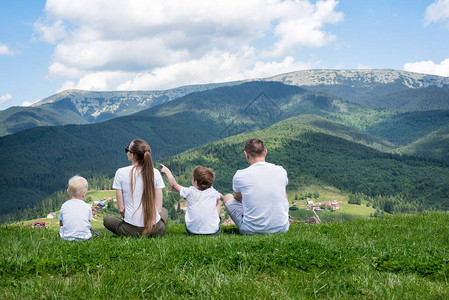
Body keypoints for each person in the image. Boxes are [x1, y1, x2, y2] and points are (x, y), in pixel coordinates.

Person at [222, 138, 289, 235]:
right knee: (284, 192)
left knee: (227, 197)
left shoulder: (240, 175)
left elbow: (237, 198)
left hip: (251, 230)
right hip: (282, 228)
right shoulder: (281, 171)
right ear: (265, 152)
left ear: (246, 154)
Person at [104, 139, 168, 237]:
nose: (127, 152)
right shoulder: (155, 173)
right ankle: (153, 232)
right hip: (155, 229)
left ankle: (134, 232)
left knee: (107, 219)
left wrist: (130, 221)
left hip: (130, 230)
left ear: (133, 155)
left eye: (127, 150)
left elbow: (121, 209)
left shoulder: (120, 173)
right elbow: (158, 209)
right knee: (164, 211)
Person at [160, 164, 221, 235]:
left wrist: (167, 171)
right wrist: (220, 201)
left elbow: (174, 185)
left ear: (196, 182)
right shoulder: (214, 192)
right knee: (218, 201)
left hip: (191, 231)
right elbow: (221, 197)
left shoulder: (190, 191)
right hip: (213, 231)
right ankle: (210, 226)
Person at [59, 175, 97, 241]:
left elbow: (61, 223)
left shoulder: (64, 205)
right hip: (84, 238)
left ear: (68, 192)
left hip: (66, 238)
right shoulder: (87, 206)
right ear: (84, 193)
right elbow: (87, 222)